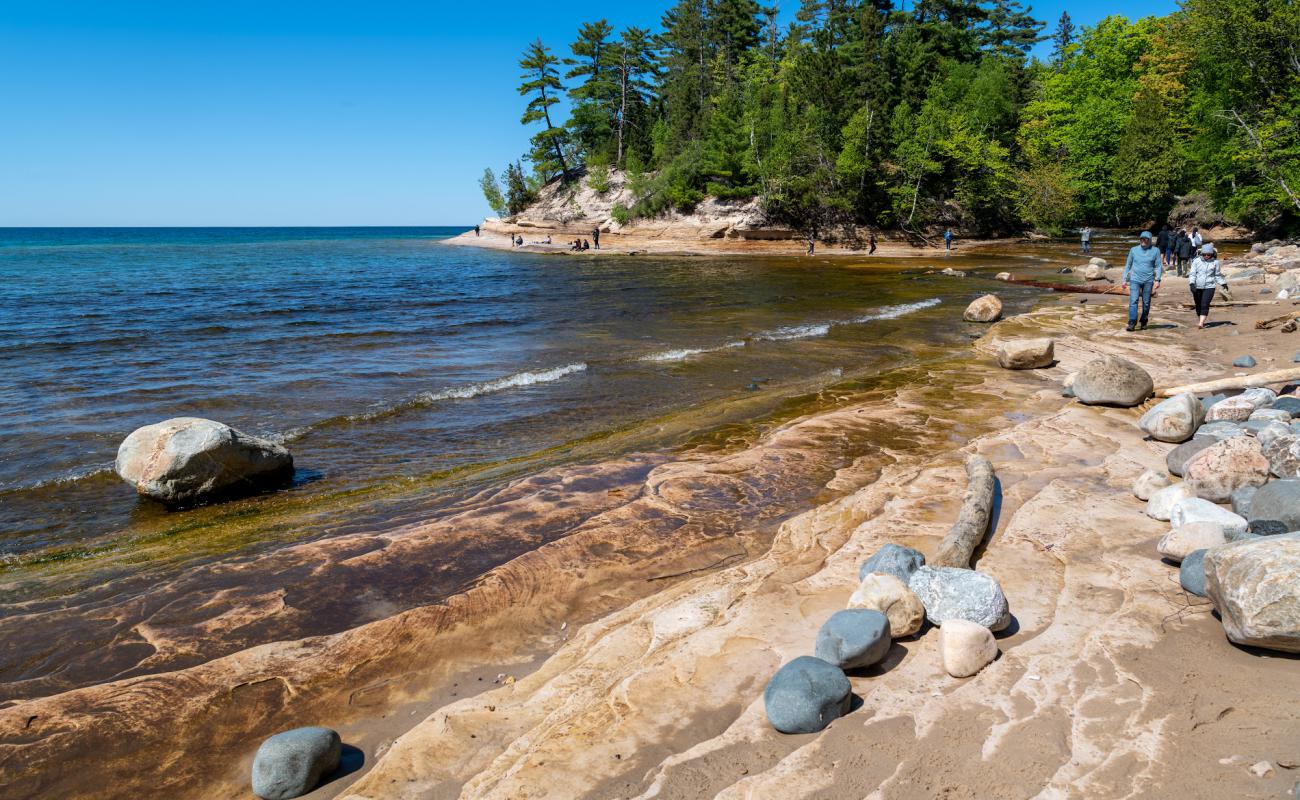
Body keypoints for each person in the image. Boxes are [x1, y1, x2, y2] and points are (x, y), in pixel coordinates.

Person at [1122, 231, 1162, 332]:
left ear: (1149, 240)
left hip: (1148, 280)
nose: (1143, 241)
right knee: (1133, 301)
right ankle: (1132, 322)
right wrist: (1124, 279)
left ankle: (1144, 320)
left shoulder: (1155, 251)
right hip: (1135, 280)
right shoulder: (1133, 250)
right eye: (1141, 239)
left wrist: (1157, 280)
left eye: (1145, 239)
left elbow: (1158, 266)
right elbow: (1128, 265)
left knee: (1146, 302)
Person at [1187, 243, 1227, 329]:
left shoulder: (1216, 263)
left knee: (1205, 304)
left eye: (1208, 254)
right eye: (1204, 254)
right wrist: (1192, 284)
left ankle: (1201, 323)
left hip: (1210, 286)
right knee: (1198, 304)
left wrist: (1223, 283)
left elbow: (1217, 275)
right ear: (1201, 253)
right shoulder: (1196, 261)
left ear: (1212, 254)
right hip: (1197, 286)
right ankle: (1200, 319)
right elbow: (1192, 274)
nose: (1206, 256)